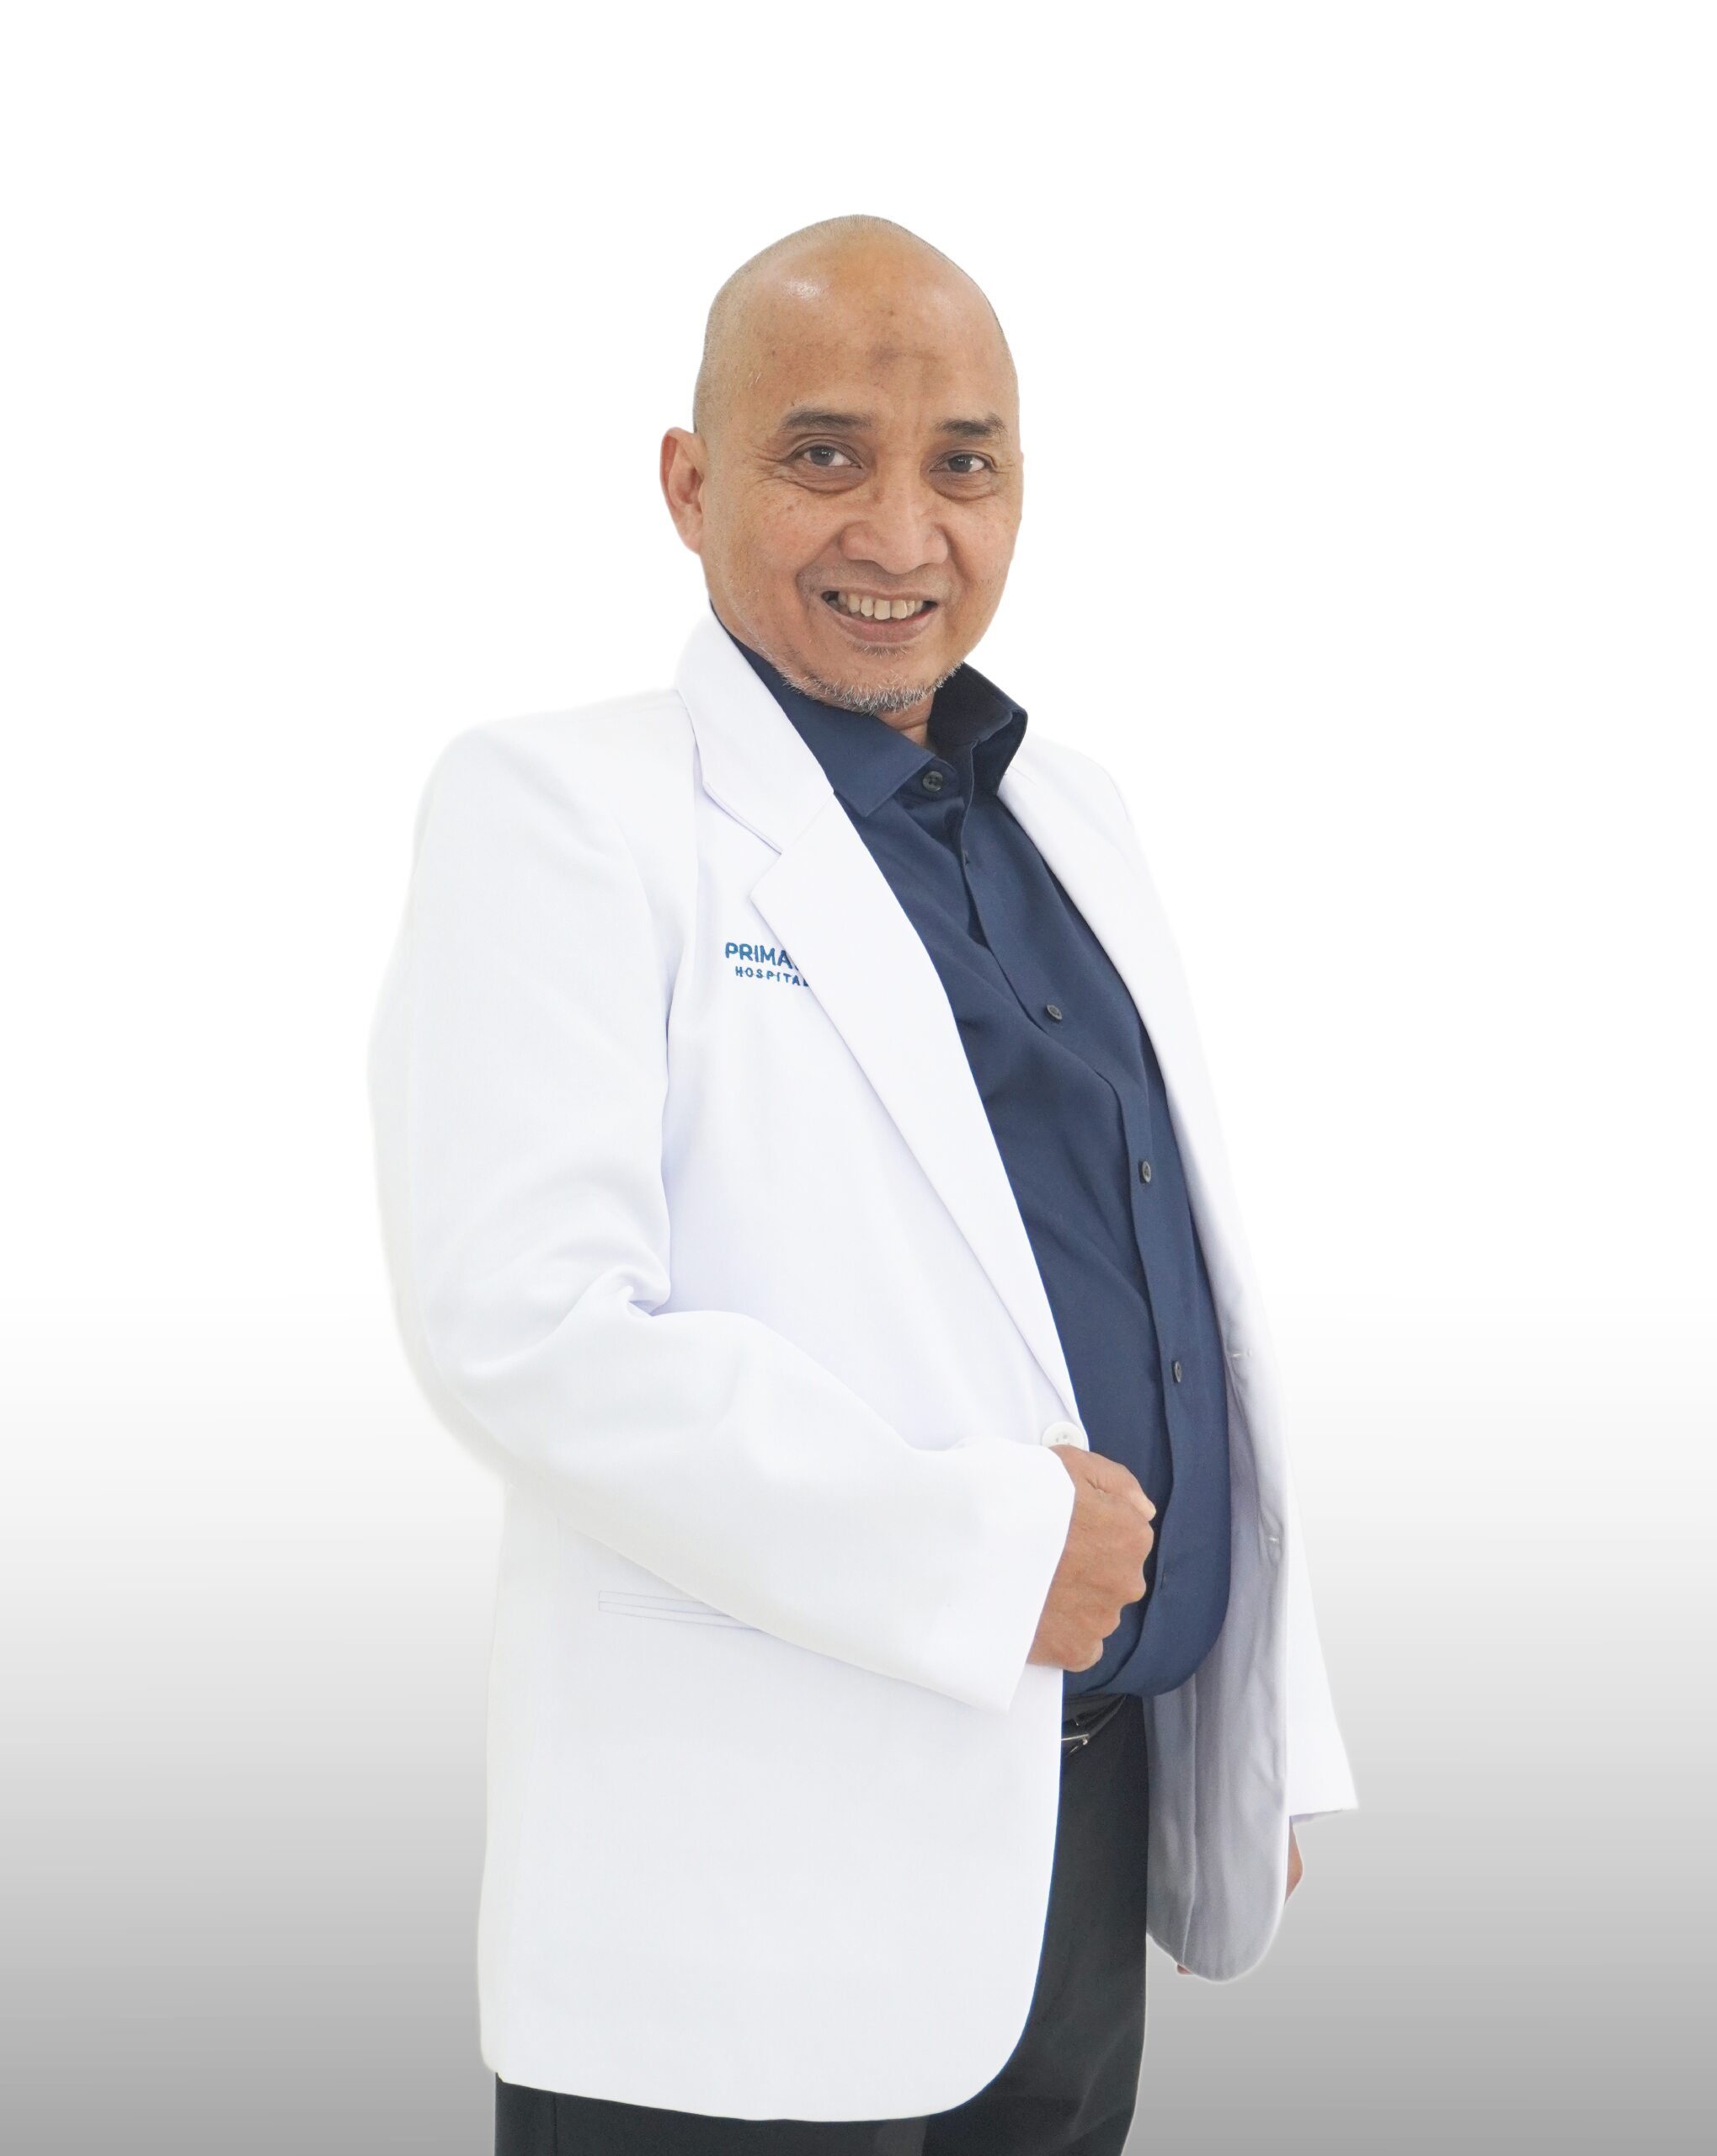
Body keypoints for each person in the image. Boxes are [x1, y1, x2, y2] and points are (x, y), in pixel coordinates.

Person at [366, 214, 1356, 2153]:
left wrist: (1245, 1712)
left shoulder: (1073, 813)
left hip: (1074, 1837)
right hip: (743, 1902)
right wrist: (986, 1546)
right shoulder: (562, 810)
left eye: (961, 463)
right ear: (690, 482)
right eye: (824, 453)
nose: (901, 530)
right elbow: (525, 1329)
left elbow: (1167, 1273)